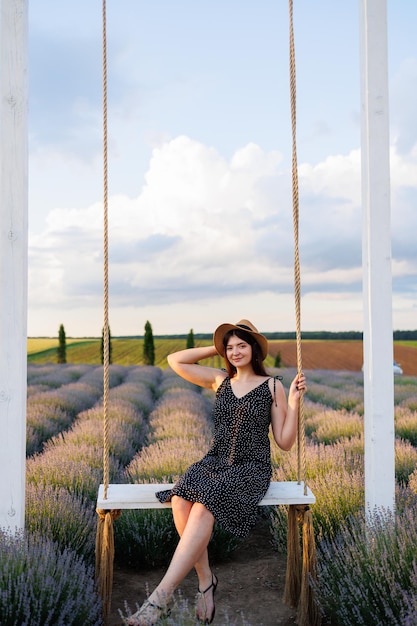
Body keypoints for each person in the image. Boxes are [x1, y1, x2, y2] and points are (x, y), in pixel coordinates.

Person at [125, 319, 306, 626]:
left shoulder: (272, 385)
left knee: (205, 501)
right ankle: (206, 581)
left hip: (250, 469)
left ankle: (160, 596)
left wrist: (293, 401)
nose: (235, 352)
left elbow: (285, 443)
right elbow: (175, 360)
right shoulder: (219, 380)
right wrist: (217, 345)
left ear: (255, 349)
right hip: (214, 461)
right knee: (181, 498)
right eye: (230, 346)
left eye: (242, 345)